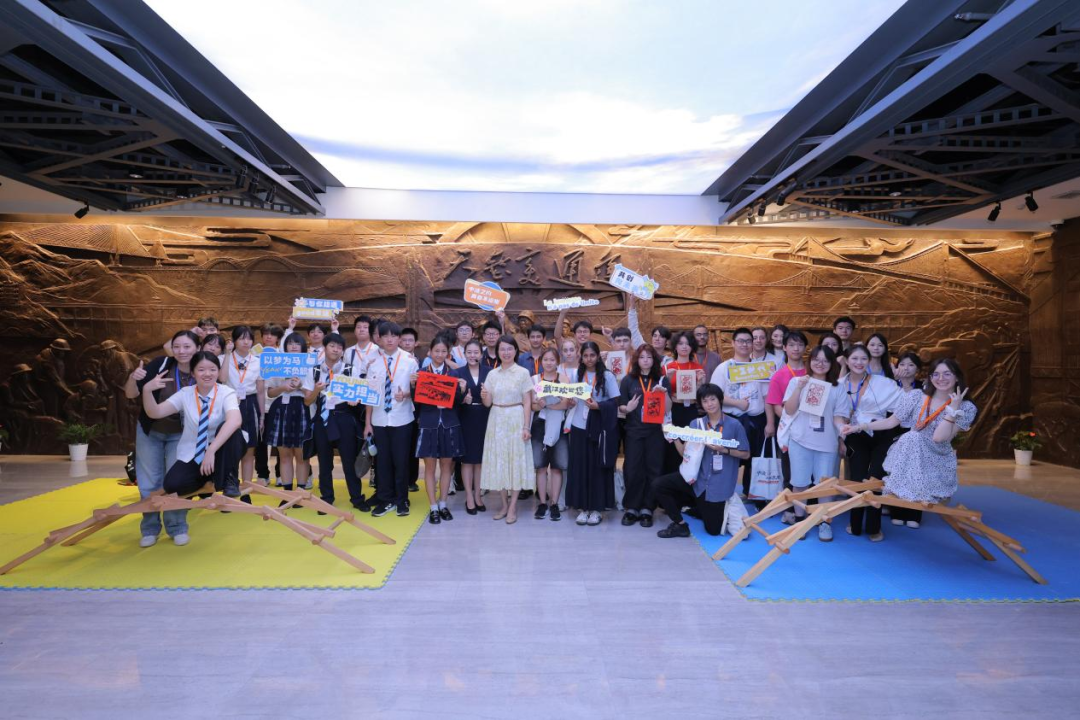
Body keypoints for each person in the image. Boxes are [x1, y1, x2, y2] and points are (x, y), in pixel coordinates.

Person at [140, 351, 244, 545]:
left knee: (232, 431)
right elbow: (155, 412)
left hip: (221, 453)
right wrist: (147, 390)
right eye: (201, 369)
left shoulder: (226, 392)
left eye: (212, 369)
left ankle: (229, 479)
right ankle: (206, 483)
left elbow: (235, 420)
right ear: (193, 373)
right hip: (193, 454)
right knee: (173, 485)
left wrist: (211, 450)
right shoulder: (186, 394)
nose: (207, 374)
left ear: (218, 371)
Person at [867, 358, 976, 528]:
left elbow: (939, 438)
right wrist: (861, 426)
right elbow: (891, 421)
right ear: (930, 377)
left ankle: (914, 514)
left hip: (937, 454)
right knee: (912, 439)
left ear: (957, 377)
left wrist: (953, 410)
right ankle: (898, 510)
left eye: (947, 374)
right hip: (912, 450)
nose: (941, 378)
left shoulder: (966, 407)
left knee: (914, 440)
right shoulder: (916, 396)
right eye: (936, 374)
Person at [123, 330, 200, 547]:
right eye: (177, 346)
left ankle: (177, 527)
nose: (182, 351)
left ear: (197, 348)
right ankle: (149, 529)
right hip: (151, 431)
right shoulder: (160, 365)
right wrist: (133, 378)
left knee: (174, 482)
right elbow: (130, 394)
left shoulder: (200, 370)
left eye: (187, 346)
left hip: (181, 434)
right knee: (149, 482)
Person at [652, 383, 750, 538]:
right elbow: (684, 452)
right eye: (705, 401)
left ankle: (702, 508)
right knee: (659, 485)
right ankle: (680, 524)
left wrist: (724, 449)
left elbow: (746, 454)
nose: (709, 404)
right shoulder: (696, 424)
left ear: (720, 400)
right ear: (701, 404)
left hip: (718, 486)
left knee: (713, 530)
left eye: (713, 399)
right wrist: (673, 435)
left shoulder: (734, 425)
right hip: (697, 480)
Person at [782, 345, 849, 541]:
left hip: (826, 444)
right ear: (809, 361)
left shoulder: (838, 388)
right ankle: (800, 521)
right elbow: (789, 410)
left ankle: (823, 522)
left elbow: (839, 416)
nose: (820, 364)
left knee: (824, 485)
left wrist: (842, 429)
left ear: (831, 364)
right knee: (799, 482)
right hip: (800, 440)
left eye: (825, 360)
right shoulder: (797, 381)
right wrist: (799, 388)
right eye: (816, 359)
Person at [837, 344, 903, 541]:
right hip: (854, 435)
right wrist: (841, 438)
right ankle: (855, 523)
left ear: (869, 361)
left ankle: (874, 527)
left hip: (881, 432)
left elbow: (903, 404)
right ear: (846, 361)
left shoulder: (884, 383)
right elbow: (836, 415)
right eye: (854, 358)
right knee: (857, 478)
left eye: (863, 359)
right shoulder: (838, 384)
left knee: (875, 478)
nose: (859, 363)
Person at [304, 332, 370, 512]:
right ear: (324, 348)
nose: (335, 350)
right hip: (322, 418)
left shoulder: (350, 370)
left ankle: (357, 498)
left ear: (343, 351)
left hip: (344, 417)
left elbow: (360, 394)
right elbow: (307, 401)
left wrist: (355, 399)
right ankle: (326, 498)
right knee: (324, 462)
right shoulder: (314, 371)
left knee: (349, 461)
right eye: (332, 346)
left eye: (339, 347)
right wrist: (316, 390)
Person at [364, 322, 420, 517]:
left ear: (399, 339)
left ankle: (402, 499)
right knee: (383, 462)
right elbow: (369, 394)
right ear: (378, 338)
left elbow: (417, 390)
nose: (389, 339)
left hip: (402, 418)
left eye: (393, 336)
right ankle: (386, 499)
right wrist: (367, 423)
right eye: (385, 336)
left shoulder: (409, 361)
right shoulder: (372, 361)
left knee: (401, 461)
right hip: (379, 418)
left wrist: (406, 394)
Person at [565, 341, 621, 526]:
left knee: (597, 468)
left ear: (598, 356)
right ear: (581, 357)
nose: (589, 359)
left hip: (599, 427)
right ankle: (582, 508)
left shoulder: (607, 376)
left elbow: (615, 402)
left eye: (592, 355)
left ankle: (597, 509)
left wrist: (599, 406)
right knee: (580, 467)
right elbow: (573, 398)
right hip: (579, 426)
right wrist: (570, 401)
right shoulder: (576, 375)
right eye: (586, 355)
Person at [479, 336, 535, 523]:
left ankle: (513, 506)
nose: (506, 352)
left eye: (510, 348)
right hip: (496, 419)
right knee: (499, 462)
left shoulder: (523, 373)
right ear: (498, 352)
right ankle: (504, 504)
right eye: (502, 349)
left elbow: (527, 402)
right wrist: (484, 395)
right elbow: (487, 403)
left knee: (515, 461)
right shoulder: (492, 374)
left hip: (516, 418)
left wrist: (526, 426)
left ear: (516, 351)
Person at [413, 336, 465, 524]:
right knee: (429, 467)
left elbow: (458, 402)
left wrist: (462, 391)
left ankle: (443, 504)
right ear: (429, 352)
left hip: (449, 423)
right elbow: (416, 401)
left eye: (443, 351)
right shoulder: (421, 373)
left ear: (448, 354)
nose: (440, 354)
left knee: (446, 466)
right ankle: (433, 506)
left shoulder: (453, 374)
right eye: (437, 351)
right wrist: (413, 385)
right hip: (429, 423)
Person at [711, 327, 768, 497]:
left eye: (748, 341)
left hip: (757, 420)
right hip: (732, 420)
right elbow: (714, 395)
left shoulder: (760, 368)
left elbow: (767, 397)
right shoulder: (724, 368)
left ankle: (753, 495)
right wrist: (737, 403)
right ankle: (723, 494)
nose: (745, 344)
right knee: (729, 458)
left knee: (755, 459)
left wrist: (770, 422)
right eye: (741, 341)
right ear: (733, 343)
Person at [618, 344, 669, 527]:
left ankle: (648, 508)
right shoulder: (628, 380)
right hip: (634, 430)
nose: (645, 360)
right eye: (642, 357)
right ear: (636, 360)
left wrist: (664, 394)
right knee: (632, 469)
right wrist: (628, 408)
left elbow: (668, 409)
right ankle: (632, 507)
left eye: (649, 357)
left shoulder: (661, 380)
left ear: (654, 360)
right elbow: (621, 406)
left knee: (653, 469)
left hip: (655, 432)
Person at [266, 332, 311, 493]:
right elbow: (270, 392)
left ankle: (301, 492)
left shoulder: (310, 365)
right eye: (290, 343)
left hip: (303, 408)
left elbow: (312, 393)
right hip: (282, 408)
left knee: (302, 454)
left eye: (297, 343)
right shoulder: (278, 364)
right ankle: (287, 493)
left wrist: (301, 386)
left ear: (303, 347)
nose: (293, 346)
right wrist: (282, 387)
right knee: (284, 454)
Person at [529, 347, 570, 521]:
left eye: (552, 360)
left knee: (557, 466)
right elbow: (532, 405)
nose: (549, 363)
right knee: (540, 466)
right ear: (541, 362)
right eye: (545, 359)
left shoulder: (564, 378)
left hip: (559, 425)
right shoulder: (535, 379)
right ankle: (542, 503)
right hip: (539, 425)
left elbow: (566, 403)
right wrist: (539, 404)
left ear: (557, 362)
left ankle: (554, 503)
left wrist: (547, 404)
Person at [222, 326, 265, 490]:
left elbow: (260, 391)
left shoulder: (257, 362)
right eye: (241, 338)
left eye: (249, 338)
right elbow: (222, 379)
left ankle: (246, 488)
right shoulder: (224, 358)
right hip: (230, 402)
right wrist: (227, 354)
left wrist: (262, 416)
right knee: (230, 447)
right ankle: (230, 486)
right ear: (234, 341)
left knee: (249, 449)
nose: (246, 342)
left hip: (250, 404)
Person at [764, 330, 808, 486]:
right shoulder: (779, 375)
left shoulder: (812, 372)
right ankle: (790, 497)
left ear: (805, 348)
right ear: (784, 347)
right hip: (789, 428)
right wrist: (793, 422)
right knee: (789, 467)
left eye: (800, 345)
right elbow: (775, 405)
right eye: (791, 345)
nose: (796, 348)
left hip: (811, 428)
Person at [453, 339, 491, 513]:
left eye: (476, 352)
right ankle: (469, 496)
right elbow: (452, 399)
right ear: (464, 354)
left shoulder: (489, 372)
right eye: (469, 352)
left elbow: (494, 396)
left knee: (480, 460)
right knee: (467, 460)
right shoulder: (457, 373)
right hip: (465, 418)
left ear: (481, 354)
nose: (472, 355)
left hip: (485, 417)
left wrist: (486, 396)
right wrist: (463, 398)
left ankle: (478, 495)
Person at [255, 324, 284, 486]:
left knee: (280, 441)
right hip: (259, 402)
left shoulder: (283, 356)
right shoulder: (254, 354)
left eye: (272, 334)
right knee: (260, 441)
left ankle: (280, 473)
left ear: (278, 338)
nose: (268, 337)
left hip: (278, 401)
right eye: (265, 334)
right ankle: (262, 474)